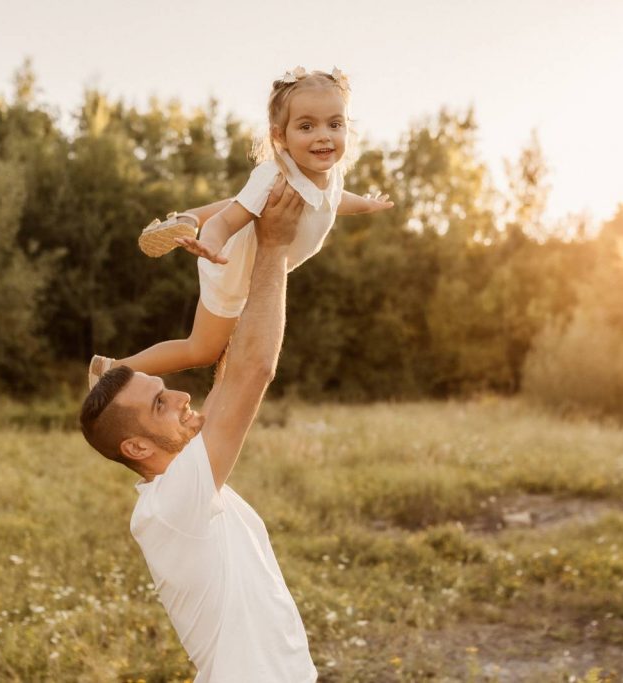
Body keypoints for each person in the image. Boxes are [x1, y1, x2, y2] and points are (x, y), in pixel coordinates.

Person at [79, 177, 317, 682]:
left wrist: (240, 276)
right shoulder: (170, 507)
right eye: (162, 402)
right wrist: (272, 246)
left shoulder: (183, 491)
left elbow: (233, 370)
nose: (184, 396)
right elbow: (253, 372)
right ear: (137, 445)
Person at [88, 66, 393, 388]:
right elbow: (227, 220)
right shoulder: (273, 174)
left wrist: (367, 205)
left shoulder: (331, 174)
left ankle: (188, 217)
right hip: (232, 272)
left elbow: (332, 199)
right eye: (306, 126)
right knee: (201, 350)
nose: (323, 135)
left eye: (335, 124)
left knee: (254, 204)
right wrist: (213, 246)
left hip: (257, 276)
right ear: (279, 135)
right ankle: (112, 370)